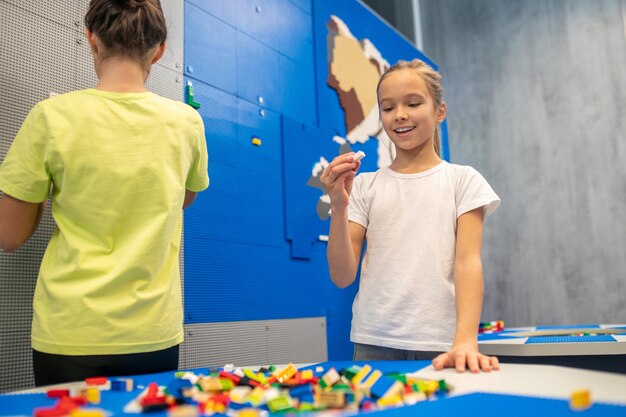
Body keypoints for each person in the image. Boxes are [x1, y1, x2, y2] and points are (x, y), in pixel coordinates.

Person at [0, 0, 209, 385]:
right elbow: (184, 198)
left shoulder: (50, 117)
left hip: (69, 332)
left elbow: (9, 236)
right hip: (152, 331)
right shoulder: (187, 123)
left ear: (92, 40)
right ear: (159, 50)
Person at [320, 59, 500, 372]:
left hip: (440, 342)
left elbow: (467, 262)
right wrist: (339, 205)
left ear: (439, 111)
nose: (400, 114)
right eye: (388, 108)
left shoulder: (463, 180)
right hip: (373, 342)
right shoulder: (365, 186)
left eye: (413, 103)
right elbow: (342, 276)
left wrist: (466, 339)